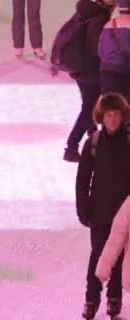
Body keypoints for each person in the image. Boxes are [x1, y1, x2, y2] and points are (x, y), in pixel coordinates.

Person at [76, 93, 130, 319]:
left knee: (119, 257)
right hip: (99, 212)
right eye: (108, 115)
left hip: (124, 213)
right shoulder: (94, 142)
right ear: (102, 117)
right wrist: (83, 208)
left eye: (116, 114)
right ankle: (91, 299)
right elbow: (82, 178)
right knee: (98, 255)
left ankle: (114, 298)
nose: (113, 120)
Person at [56, 0, 114, 162]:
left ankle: (92, 137)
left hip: (80, 68)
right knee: (89, 109)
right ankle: (72, 146)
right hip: (91, 71)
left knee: (88, 106)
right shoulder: (99, 19)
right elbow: (97, 49)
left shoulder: (83, 12)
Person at [99, 0, 130, 99]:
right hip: (126, 72)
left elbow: (101, 50)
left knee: (113, 107)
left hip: (108, 72)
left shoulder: (110, 23)